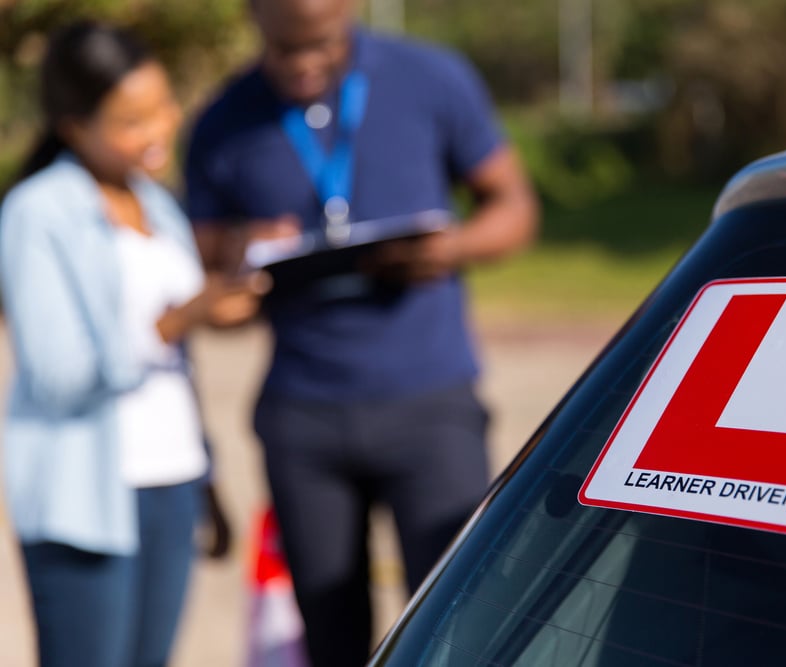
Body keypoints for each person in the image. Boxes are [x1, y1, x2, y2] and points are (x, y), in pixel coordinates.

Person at [183, 0, 539, 663]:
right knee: (330, 634)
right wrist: (239, 245)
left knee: (453, 623)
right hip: (303, 417)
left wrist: (452, 246)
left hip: (430, 402)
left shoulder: (432, 78)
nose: (305, 63)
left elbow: (514, 206)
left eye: (320, 42)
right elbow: (201, 262)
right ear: (252, 13)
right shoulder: (220, 121)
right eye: (286, 46)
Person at [0, 21, 268, 667]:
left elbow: (176, 358)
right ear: (73, 126)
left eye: (162, 107)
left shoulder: (156, 201)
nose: (158, 131)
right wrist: (179, 317)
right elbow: (58, 373)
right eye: (131, 120)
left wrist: (206, 476)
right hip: (86, 498)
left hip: (172, 481)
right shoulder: (37, 212)